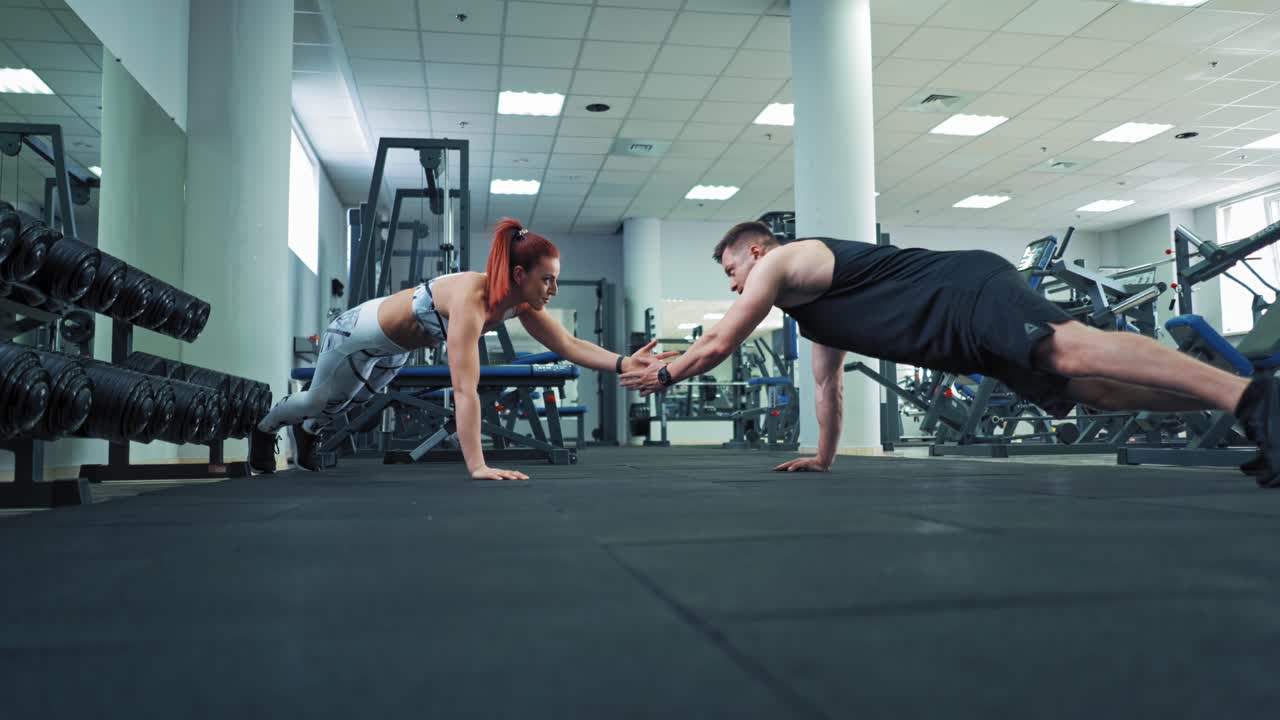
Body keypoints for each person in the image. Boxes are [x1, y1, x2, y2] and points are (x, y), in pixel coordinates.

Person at [621, 220, 1280, 488]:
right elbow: (828, 388)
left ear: (757, 252)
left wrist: (668, 371)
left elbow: (720, 341)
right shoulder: (807, 308)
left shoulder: (787, 260)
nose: (733, 283)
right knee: (1093, 392)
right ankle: (1243, 403)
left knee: (1072, 352)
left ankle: (1255, 398)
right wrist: (823, 457)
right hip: (958, 337)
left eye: (732, 268)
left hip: (965, 289)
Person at [251, 218, 673, 480]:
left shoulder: (520, 302)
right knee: (320, 398)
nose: (553, 289)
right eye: (547, 280)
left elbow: (567, 343)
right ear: (521, 273)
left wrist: (623, 361)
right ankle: (265, 427)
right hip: (355, 333)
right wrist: (477, 465)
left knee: (345, 407)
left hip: (393, 351)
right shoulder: (473, 299)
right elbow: (465, 389)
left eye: (556, 279)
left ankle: (307, 432)